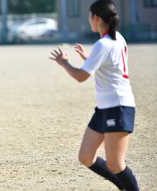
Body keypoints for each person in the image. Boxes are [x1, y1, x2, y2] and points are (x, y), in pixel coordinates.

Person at [49, 0, 139, 190]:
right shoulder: (116, 38)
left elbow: (81, 76)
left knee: (116, 164)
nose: (89, 19)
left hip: (118, 106)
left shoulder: (103, 44)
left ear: (96, 18)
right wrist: (88, 58)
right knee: (86, 156)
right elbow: (108, 65)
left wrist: (64, 62)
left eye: (90, 15)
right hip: (105, 108)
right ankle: (123, 186)